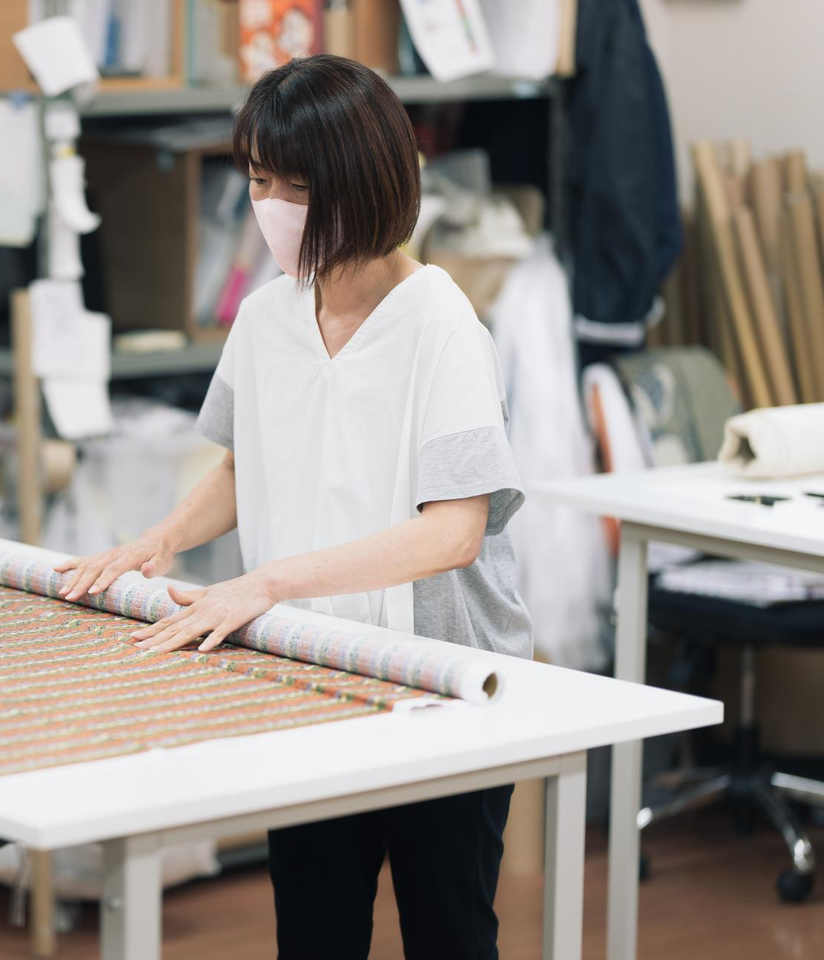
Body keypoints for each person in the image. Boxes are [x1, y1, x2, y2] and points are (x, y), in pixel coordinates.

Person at [54, 55, 531, 960]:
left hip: (439, 681)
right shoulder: (267, 318)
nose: (270, 206)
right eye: (258, 180)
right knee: (314, 927)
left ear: (365, 183)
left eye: (296, 186)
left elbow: (454, 533)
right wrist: (158, 540)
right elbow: (246, 467)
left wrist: (267, 583)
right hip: (308, 666)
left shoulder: (442, 325)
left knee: (448, 930)